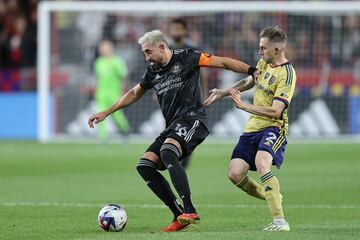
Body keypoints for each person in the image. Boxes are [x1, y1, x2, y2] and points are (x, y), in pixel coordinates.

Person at [88, 29, 257, 232]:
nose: (146, 56)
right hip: (173, 125)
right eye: (144, 52)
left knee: (168, 151)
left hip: (194, 119)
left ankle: (189, 210)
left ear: (162, 47)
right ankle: (178, 215)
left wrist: (250, 70)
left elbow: (223, 62)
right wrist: (107, 112)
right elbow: (134, 93)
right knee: (145, 166)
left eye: (148, 51)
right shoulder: (152, 71)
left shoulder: (187, 57)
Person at [204, 26, 296, 231]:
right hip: (252, 128)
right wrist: (224, 92)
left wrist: (244, 105)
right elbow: (249, 81)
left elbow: (276, 112)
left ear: (277, 50)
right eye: (259, 47)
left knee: (262, 162)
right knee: (235, 174)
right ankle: (273, 195)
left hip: (274, 127)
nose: (260, 52)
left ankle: (280, 222)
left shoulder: (287, 75)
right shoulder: (263, 62)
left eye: (263, 48)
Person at [168, 17, 208, 169]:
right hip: (171, 99)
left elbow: (203, 74)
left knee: (187, 132)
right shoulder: (166, 48)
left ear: (184, 31)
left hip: (191, 99)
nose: (175, 31)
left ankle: (182, 162)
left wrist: (204, 94)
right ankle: (176, 160)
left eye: (178, 28)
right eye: (173, 28)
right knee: (170, 131)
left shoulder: (192, 48)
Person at [94, 40, 130, 141]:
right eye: (102, 49)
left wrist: (123, 91)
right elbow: (99, 79)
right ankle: (103, 138)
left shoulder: (117, 61)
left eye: (106, 49)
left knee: (118, 116)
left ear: (111, 49)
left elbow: (123, 76)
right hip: (101, 94)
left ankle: (126, 132)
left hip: (115, 93)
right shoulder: (98, 62)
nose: (104, 51)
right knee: (100, 115)